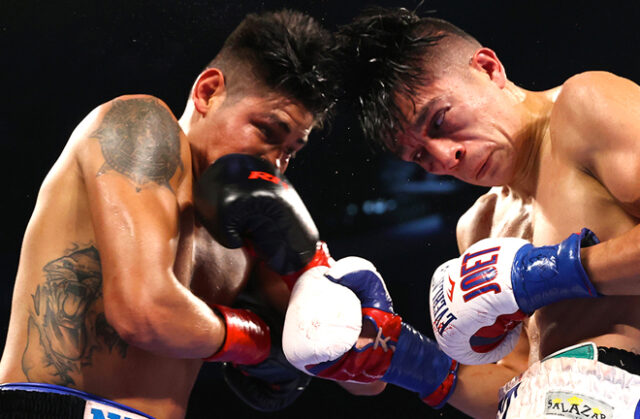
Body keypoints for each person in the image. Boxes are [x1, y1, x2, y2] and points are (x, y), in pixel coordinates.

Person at [0, 9, 363, 419]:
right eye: (267, 131)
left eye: (290, 152)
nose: (275, 163)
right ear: (208, 92)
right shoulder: (140, 127)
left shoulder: (248, 226)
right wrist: (258, 341)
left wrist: (306, 264)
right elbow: (142, 313)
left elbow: (357, 372)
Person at [283, 6, 640, 418]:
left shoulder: (585, 106)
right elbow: (520, 385)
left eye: (440, 120)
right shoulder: (480, 229)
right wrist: (410, 360)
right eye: (418, 155)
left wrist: (548, 273)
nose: (445, 156)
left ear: (489, 68)